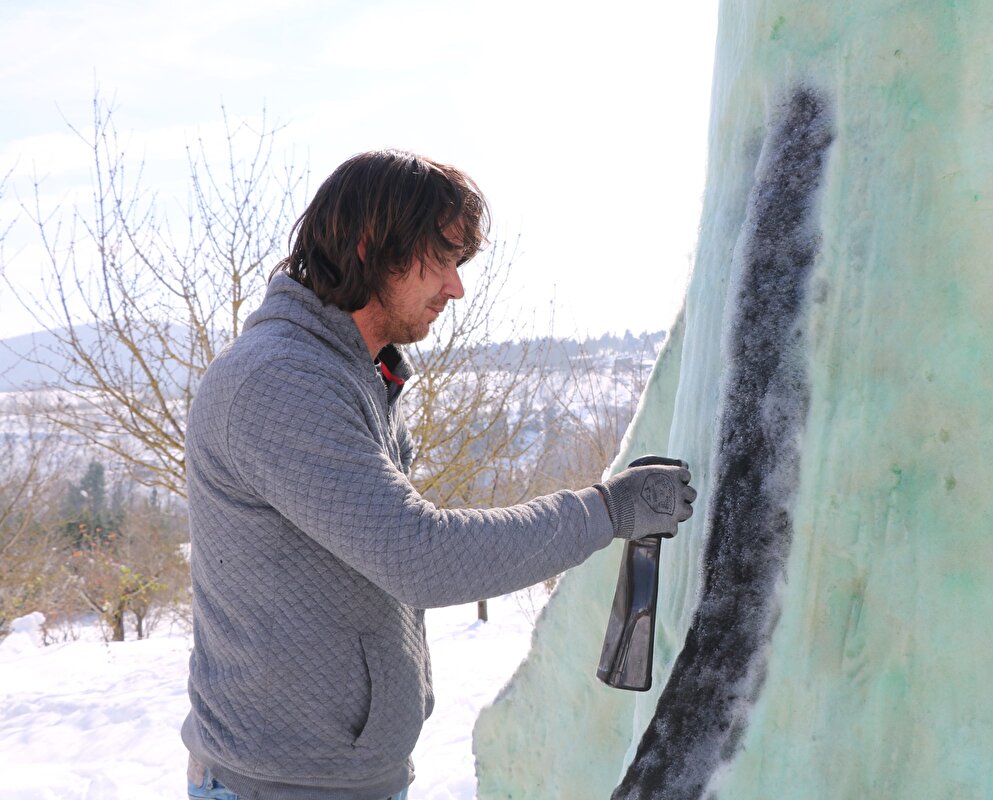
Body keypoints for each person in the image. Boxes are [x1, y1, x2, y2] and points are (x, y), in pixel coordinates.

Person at [181, 150, 696, 800]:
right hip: (280, 788)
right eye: (444, 260)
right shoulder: (279, 382)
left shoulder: (356, 374)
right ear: (374, 248)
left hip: (339, 779)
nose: (456, 287)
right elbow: (420, 556)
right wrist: (604, 512)